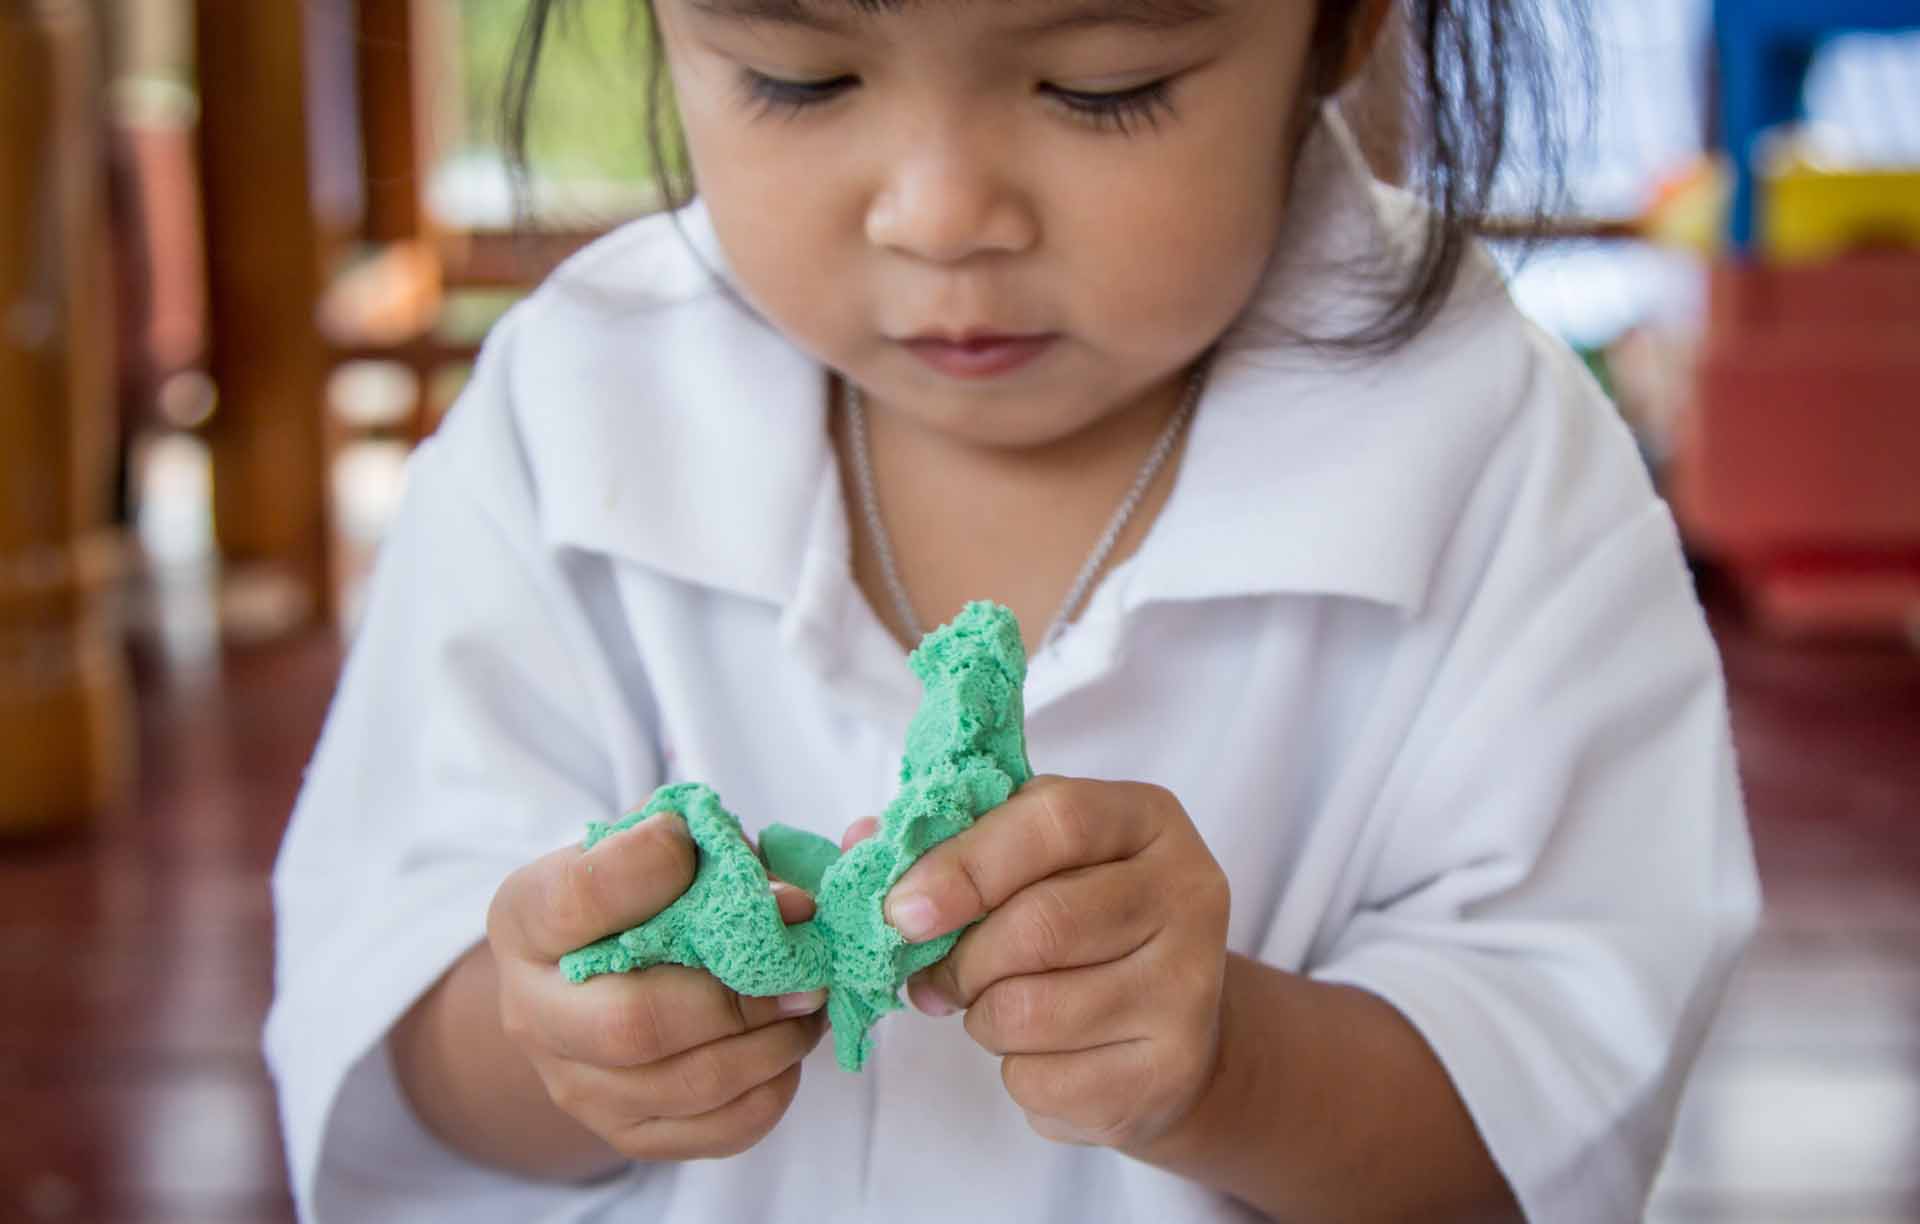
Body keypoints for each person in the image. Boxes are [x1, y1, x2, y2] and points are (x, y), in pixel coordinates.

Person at [264, 1, 1761, 1220]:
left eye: (1104, 88)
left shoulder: (1495, 456)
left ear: (1340, 27)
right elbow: (379, 1010)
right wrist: (569, 1042)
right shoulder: (569, 408)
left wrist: (1229, 1063)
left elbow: (1550, 1110)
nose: (940, 215)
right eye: (798, 78)